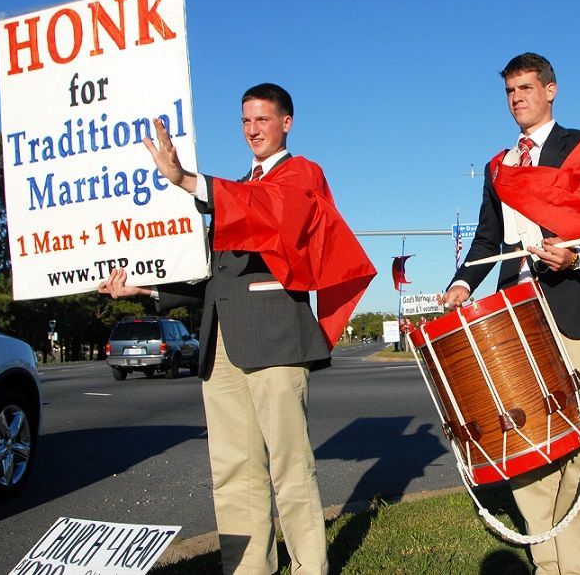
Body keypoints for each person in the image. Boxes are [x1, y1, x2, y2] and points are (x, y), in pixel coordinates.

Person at [100, 83, 375, 575]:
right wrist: (141, 290)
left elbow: (270, 213)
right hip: (220, 345)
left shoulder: (299, 176)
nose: (253, 131)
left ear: (285, 123)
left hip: (275, 340)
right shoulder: (236, 191)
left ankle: (310, 568)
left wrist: (185, 179)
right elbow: (212, 279)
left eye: (262, 120)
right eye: (246, 121)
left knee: (289, 468)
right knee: (233, 472)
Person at [442, 53, 580, 574]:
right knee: (524, 447)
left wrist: (577, 256)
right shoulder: (498, 167)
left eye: (526, 88)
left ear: (551, 90)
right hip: (513, 318)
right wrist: (463, 283)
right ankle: (547, 564)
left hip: (573, 305)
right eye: (510, 92)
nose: (517, 99)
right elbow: (489, 237)